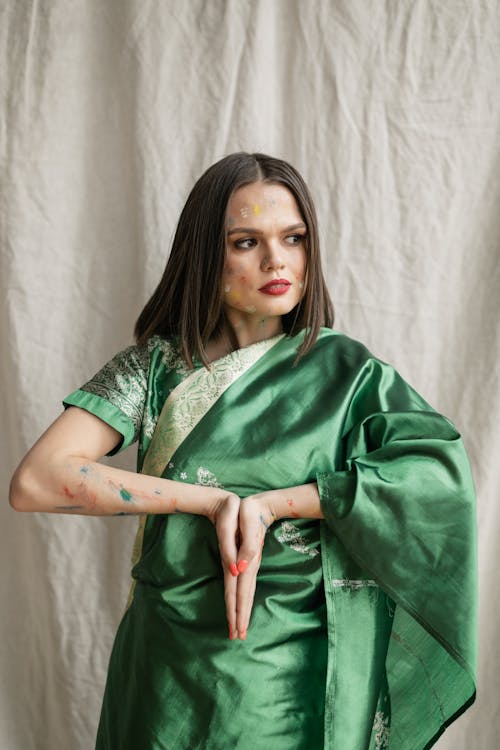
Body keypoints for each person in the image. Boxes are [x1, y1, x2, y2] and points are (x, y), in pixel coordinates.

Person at [9, 152, 477, 750]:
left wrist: (275, 504)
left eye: (293, 238)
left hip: (292, 676)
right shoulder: (157, 369)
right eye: (246, 241)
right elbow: (38, 481)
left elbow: (436, 477)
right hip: (167, 668)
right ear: (208, 252)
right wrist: (211, 501)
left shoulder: (349, 376)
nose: (276, 260)